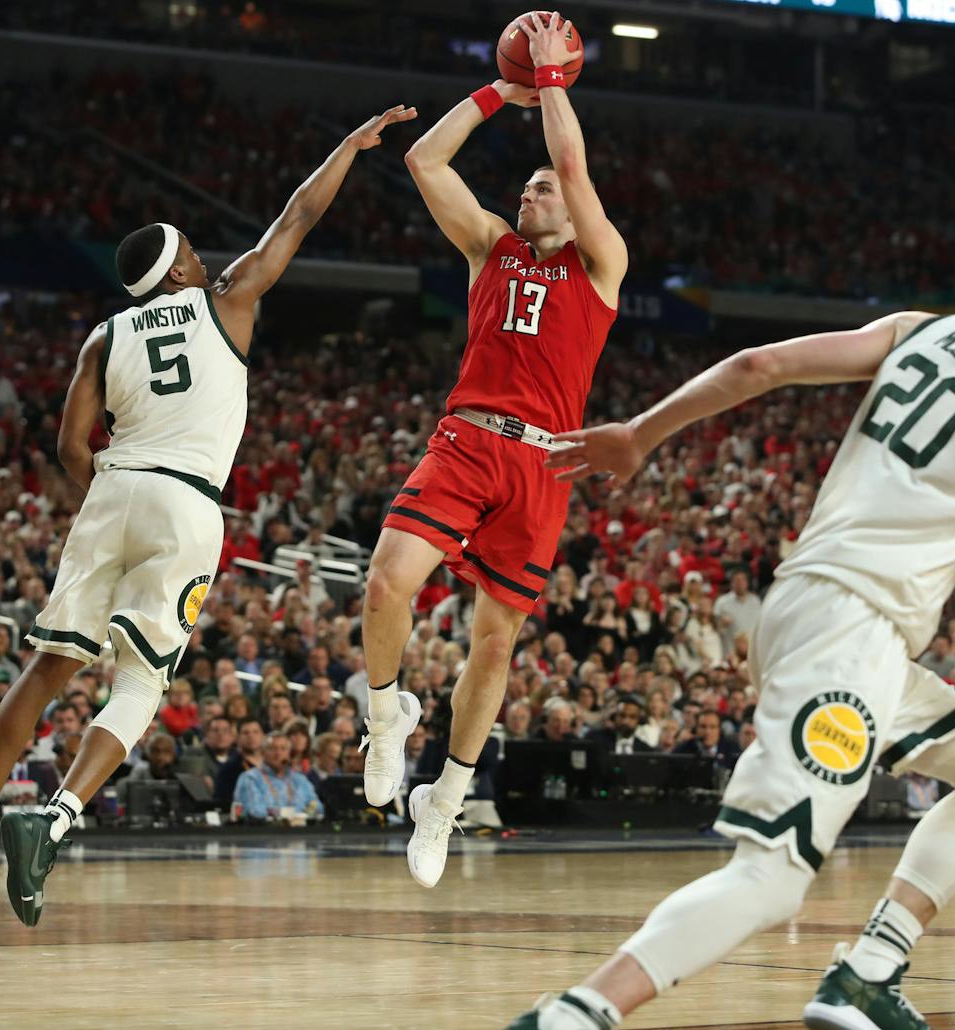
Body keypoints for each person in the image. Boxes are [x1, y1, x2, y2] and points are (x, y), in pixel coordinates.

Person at [512, 188, 955, 1030]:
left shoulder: (924, 328)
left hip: (805, 607)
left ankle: (868, 972)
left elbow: (762, 366)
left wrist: (643, 431)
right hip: (851, 634)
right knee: (772, 877)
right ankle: (575, 1016)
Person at [0, 103, 416, 926]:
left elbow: (67, 445)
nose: (204, 254)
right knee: (142, 680)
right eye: (193, 248)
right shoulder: (225, 301)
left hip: (112, 486)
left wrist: (106, 502)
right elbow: (297, 215)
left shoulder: (104, 336)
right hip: (186, 502)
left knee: (48, 666)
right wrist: (347, 146)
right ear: (181, 270)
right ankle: (51, 822)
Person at [360, 12, 626, 889]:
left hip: (545, 462)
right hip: (471, 435)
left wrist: (551, 86)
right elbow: (423, 162)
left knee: (495, 642)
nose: (530, 193)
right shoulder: (490, 248)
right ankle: (387, 710)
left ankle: (445, 799)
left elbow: (576, 166)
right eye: (525, 186)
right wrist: (497, 93)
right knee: (387, 579)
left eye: (542, 187)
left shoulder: (601, 263)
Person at [235, 732, 324, 822]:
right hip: (264, 833)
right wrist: (294, 814)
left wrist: (304, 814)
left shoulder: (300, 780)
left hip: (300, 832)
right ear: (262, 753)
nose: (278, 753)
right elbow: (255, 812)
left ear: (289, 754)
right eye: (272, 749)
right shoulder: (250, 778)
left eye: (283, 749)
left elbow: (318, 807)